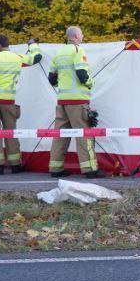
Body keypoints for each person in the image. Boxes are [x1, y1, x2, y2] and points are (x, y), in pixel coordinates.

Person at [0, 35, 42, 175]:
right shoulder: (17, 57)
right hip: (9, 101)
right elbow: (36, 58)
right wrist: (32, 44)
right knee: (11, 133)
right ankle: (15, 164)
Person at [48, 26, 107, 178]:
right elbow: (82, 73)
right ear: (75, 36)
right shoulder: (77, 50)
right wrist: (89, 83)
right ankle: (90, 170)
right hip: (78, 101)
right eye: (81, 34)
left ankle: (55, 169)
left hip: (62, 101)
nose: (82, 36)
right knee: (84, 134)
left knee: (60, 135)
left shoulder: (58, 53)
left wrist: (61, 86)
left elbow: (52, 78)